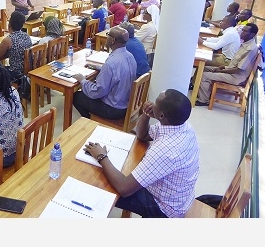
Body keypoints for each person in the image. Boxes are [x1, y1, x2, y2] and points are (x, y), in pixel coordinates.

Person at [83, 88, 200, 218]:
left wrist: (101, 156)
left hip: (163, 208)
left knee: (100, 183)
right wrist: (146, 115)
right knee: (119, 169)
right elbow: (142, 135)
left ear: (161, 116)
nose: (151, 104)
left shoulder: (165, 149)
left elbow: (124, 188)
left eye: (155, 102)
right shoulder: (182, 127)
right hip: (178, 196)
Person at [71, 26, 136, 120]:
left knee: (76, 96)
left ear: (113, 40)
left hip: (113, 109)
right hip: (125, 104)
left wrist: (83, 81)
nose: (106, 37)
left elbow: (97, 91)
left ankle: (89, 121)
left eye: (108, 35)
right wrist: (100, 68)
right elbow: (117, 73)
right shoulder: (130, 56)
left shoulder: (111, 63)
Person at [195, 23, 260, 106]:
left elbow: (238, 69)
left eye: (245, 31)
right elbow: (235, 63)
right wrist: (224, 67)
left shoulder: (250, 49)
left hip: (236, 77)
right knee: (203, 68)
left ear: (252, 34)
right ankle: (198, 89)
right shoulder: (245, 43)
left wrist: (222, 70)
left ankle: (203, 100)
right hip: (230, 70)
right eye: (242, 30)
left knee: (205, 75)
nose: (242, 32)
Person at [0, 11, 32, 78]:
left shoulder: (8, 40)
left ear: (9, 25)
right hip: (26, 69)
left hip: (15, 72)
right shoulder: (26, 35)